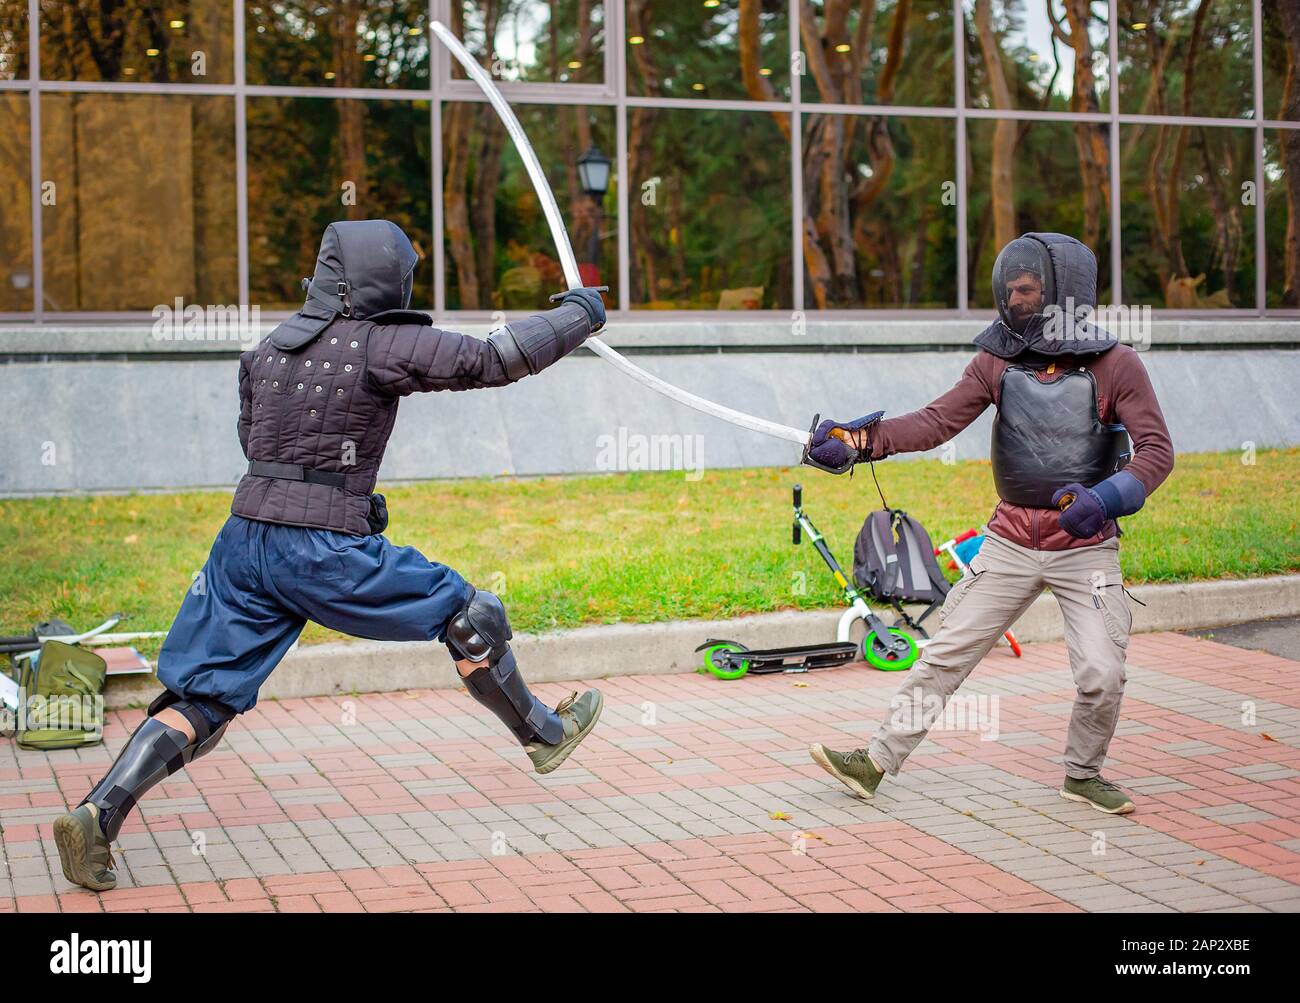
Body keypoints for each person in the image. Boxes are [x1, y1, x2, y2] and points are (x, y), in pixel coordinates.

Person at [53, 219, 608, 891]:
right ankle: (543, 735)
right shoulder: (383, 343)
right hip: (317, 552)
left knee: (202, 697)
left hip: (242, 543)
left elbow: (265, 451)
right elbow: (492, 359)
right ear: (383, 278)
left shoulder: (264, 351)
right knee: (470, 613)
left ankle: (98, 814)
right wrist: (579, 316)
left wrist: (348, 500)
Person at [804, 232, 1174, 815]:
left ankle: (1083, 773)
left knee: (1103, 672)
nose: (1014, 295)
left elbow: (1156, 451)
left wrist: (1105, 499)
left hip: (1086, 548)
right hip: (1007, 543)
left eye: (1029, 287)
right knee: (943, 654)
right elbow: (933, 422)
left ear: (1064, 293)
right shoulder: (996, 361)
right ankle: (874, 762)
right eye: (1010, 287)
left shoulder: (1117, 365)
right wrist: (858, 442)